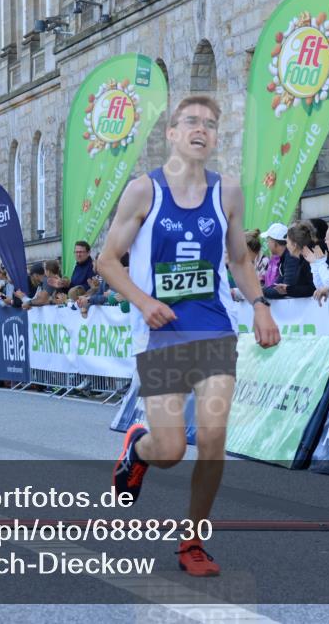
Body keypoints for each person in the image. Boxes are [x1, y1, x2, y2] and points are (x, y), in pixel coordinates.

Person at [99, 95, 280, 577]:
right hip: (162, 335)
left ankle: (192, 542)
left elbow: (240, 260)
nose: (203, 129)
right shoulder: (143, 191)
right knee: (171, 450)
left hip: (214, 328)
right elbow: (106, 261)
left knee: (215, 437)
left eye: (211, 124)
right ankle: (139, 448)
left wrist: (260, 305)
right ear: (172, 134)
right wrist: (144, 301)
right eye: (192, 122)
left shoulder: (229, 193)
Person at [263, 221, 316, 299]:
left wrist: (288, 289)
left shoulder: (299, 260)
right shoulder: (297, 259)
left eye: (287, 242)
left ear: (294, 245)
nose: (286, 246)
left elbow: (313, 288)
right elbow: (279, 285)